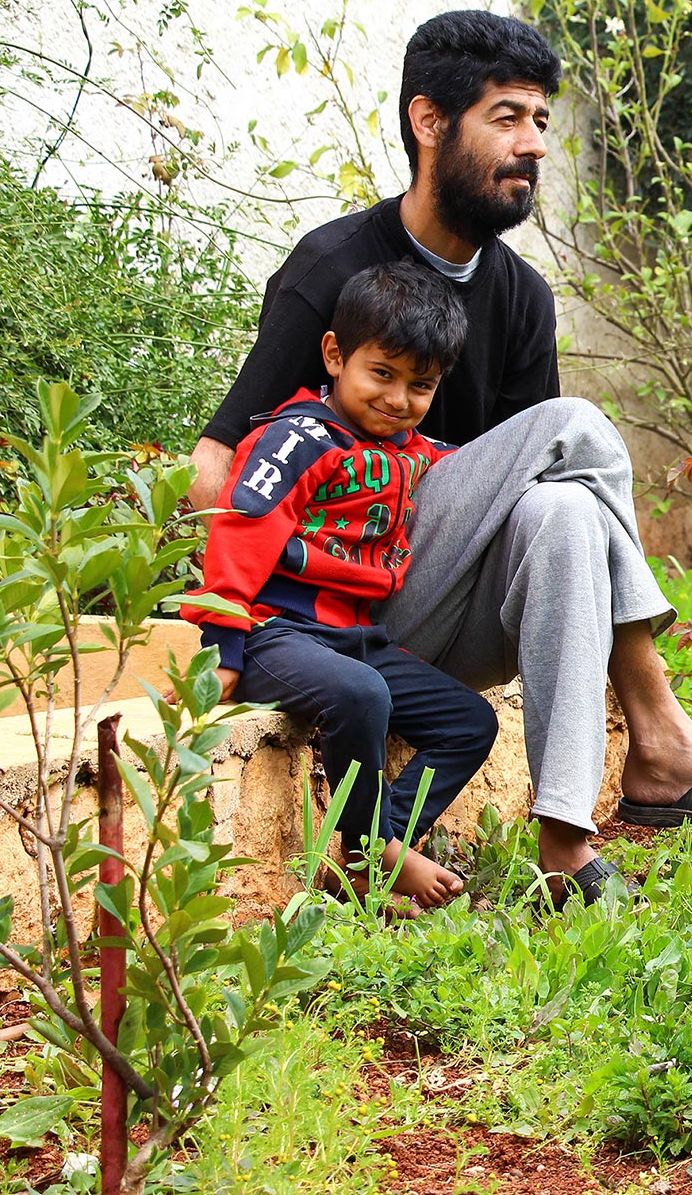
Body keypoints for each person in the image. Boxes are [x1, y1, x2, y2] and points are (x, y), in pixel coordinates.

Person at [188, 10, 692, 905]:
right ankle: (658, 727)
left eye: (540, 121)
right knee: (578, 429)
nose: (533, 144)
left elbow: (536, 507)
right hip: (333, 616)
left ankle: (564, 839)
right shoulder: (332, 267)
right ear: (428, 121)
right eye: (507, 117)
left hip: (443, 613)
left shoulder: (522, 296)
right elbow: (218, 466)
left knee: (565, 506)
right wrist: (239, 628)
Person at [183, 262, 497, 912]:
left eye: (420, 384)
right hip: (275, 632)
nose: (398, 398)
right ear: (334, 355)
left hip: (356, 637)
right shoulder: (296, 438)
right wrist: (223, 649)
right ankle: (369, 849)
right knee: (360, 693)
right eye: (381, 373)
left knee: (469, 721)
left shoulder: (416, 451)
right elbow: (241, 533)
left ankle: (372, 850)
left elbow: (477, 471)